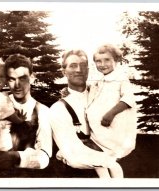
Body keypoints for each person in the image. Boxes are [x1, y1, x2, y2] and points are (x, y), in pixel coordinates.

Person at [49, 50, 123, 178]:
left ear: (88, 70)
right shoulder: (58, 109)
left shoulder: (103, 98)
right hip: (79, 175)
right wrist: (109, 162)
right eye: (72, 65)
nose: (79, 70)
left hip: (112, 164)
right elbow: (72, 153)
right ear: (63, 71)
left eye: (83, 65)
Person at [87, 44, 138, 159]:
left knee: (110, 151)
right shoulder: (100, 80)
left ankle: (109, 153)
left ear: (116, 60)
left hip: (113, 125)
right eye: (98, 61)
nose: (103, 64)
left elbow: (128, 99)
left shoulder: (121, 78)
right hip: (100, 132)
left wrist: (110, 114)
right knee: (100, 156)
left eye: (107, 60)